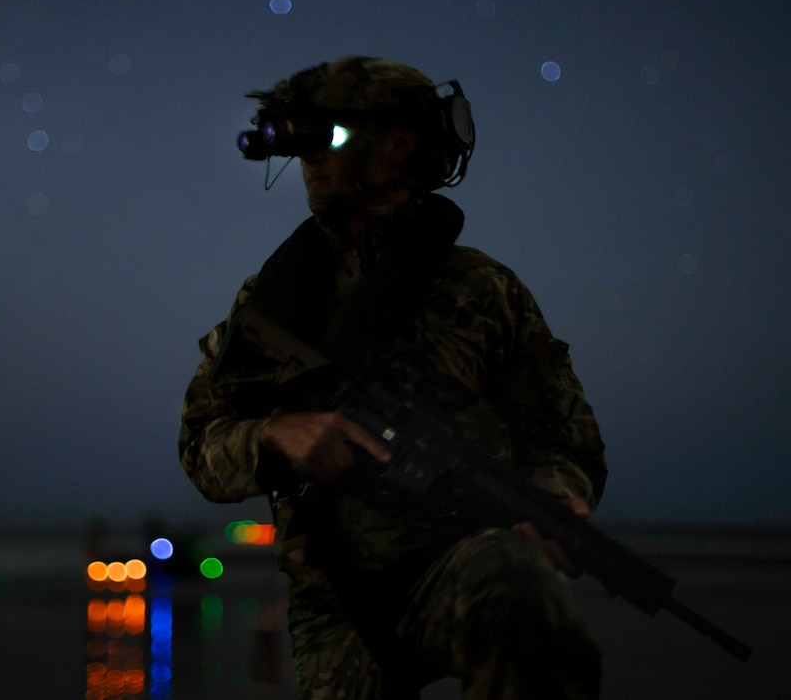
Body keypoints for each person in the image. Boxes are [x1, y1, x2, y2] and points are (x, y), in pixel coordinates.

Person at [179, 56, 607, 699]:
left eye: (331, 137)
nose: (311, 160)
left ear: (400, 145)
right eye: (303, 143)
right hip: (337, 600)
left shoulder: (481, 291)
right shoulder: (273, 301)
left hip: (460, 559)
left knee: (527, 610)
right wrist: (276, 435)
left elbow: (560, 434)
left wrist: (555, 500)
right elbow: (201, 446)